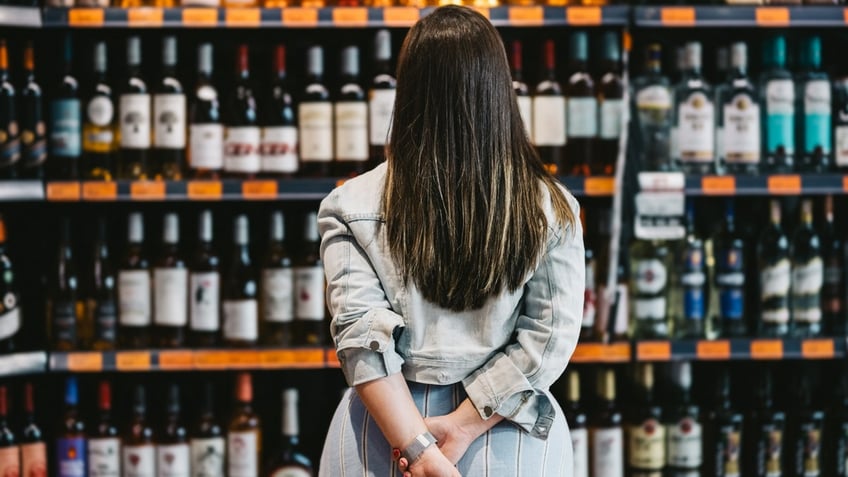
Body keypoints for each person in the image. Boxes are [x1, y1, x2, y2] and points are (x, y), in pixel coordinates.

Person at [317, 5, 584, 476]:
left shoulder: (349, 203)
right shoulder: (552, 206)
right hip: (509, 434)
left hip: (380, 433)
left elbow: (361, 341)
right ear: (498, 91)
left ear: (408, 91)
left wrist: (417, 449)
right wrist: (462, 425)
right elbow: (548, 341)